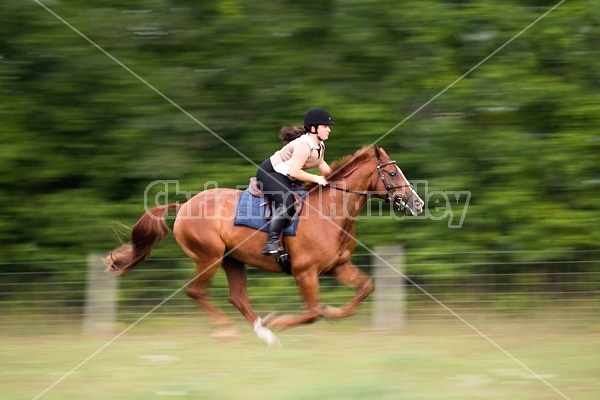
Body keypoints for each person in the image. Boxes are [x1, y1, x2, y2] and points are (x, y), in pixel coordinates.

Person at [256, 108, 335, 255]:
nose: (329, 130)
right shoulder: (303, 145)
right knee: (287, 202)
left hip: (287, 175)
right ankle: (271, 242)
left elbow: (321, 163)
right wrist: (316, 178)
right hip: (271, 173)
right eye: (325, 126)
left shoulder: (320, 144)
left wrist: (334, 180)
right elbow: (294, 172)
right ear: (313, 128)